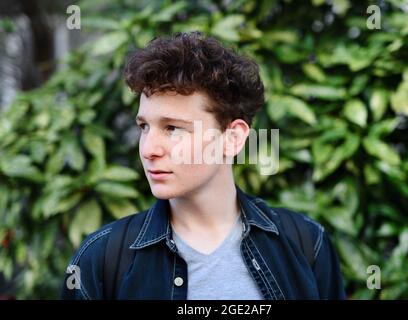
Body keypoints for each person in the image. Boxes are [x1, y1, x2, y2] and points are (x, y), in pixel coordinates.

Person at [60, 31, 345, 300]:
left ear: (233, 139)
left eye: (173, 128)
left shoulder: (307, 243)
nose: (148, 150)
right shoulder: (100, 259)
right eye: (144, 126)